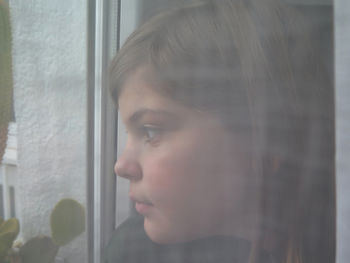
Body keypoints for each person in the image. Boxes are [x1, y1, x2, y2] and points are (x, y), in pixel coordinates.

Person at [104, 0, 335, 262]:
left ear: (267, 141)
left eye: (151, 131)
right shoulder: (133, 252)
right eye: (129, 133)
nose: (121, 166)